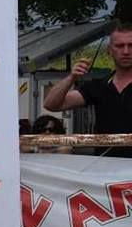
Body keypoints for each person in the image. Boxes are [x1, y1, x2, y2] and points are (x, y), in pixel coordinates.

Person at [43, 20, 132, 158]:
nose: (126, 51)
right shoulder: (98, 86)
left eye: (130, 45)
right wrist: (71, 77)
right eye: (120, 46)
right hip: (103, 169)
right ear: (109, 50)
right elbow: (51, 104)